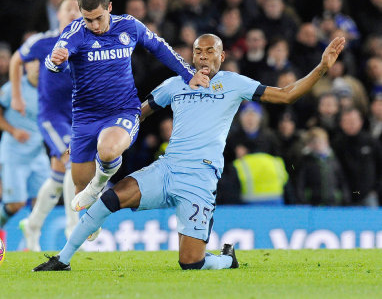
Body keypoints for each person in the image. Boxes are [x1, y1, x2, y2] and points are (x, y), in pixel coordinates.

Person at [33, 33, 345, 271]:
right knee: (113, 197)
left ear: (222, 57)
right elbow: (135, 114)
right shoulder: (175, 84)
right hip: (167, 168)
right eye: (198, 50)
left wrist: (321, 68)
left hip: (200, 178)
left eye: (211, 50)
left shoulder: (233, 84)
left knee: (190, 263)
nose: (204, 55)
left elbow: (286, 95)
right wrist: (92, 137)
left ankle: (226, 261)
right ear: (192, 56)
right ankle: (62, 259)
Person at [45, 0, 207, 214]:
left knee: (108, 150)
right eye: (88, 20)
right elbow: (54, 62)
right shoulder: (74, 32)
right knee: (79, 187)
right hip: (85, 117)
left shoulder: (129, 26)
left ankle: (98, 185)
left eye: (99, 18)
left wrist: (188, 74)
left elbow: (158, 47)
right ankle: (91, 212)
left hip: (123, 111)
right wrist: (56, 62)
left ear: (109, 7)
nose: (95, 26)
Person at [9, 0, 81, 251]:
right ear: (58, 16)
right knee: (74, 160)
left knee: (58, 177)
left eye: (78, 9)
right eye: (68, 9)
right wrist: (16, 95)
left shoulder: (88, 43)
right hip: (53, 116)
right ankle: (75, 230)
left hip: (79, 116)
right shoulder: (44, 41)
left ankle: (32, 224)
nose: (73, 12)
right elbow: (16, 60)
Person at [0, 60, 50, 247]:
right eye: (33, 61)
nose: (38, 66)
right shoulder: (14, 88)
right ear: (26, 66)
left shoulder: (51, 89)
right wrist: (13, 130)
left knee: (42, 202)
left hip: (38, 154)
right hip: (14, 154)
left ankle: (28, 243)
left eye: (42, 62)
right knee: (16, 204)